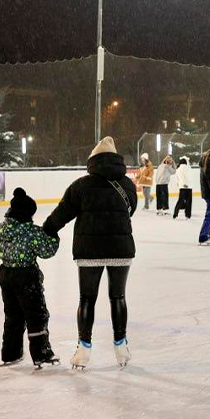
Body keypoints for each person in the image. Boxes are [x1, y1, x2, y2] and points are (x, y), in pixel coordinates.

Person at [43, 136, 137, 370]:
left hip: (89, 250)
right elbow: (130, 210)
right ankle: (121, 346)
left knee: (87, 299)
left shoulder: (81, 185)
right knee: (118, 297)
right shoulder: (127, 184)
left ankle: (83, 349)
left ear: (93, 160)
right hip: (120, 248)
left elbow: (61, 214)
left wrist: (46, 229)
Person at [0, 188, 59, 368]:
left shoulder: (1, 229)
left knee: (13, 316)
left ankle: (10, 354)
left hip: (6, 276)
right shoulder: (30, 231)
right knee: (36, 315)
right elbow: (47, 251)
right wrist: (53, 235)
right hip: (26, 277)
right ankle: (41, 353)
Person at [172, 156, 193, 220]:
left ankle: (175, 214)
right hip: (189, 187)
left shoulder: (179, 169)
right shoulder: (188, 168)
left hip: (182, 187)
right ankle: (188, 215)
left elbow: (179, 178)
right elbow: (190, 177)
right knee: (189, 202)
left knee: (180, 200)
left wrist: (182, 184)